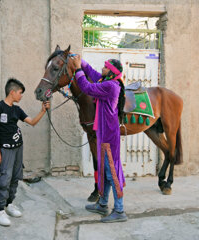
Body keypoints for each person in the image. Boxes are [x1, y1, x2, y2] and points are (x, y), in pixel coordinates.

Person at [72, 55, 128, 223]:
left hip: (109, 135)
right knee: (104, 170)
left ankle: (119, 210)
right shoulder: (107, 80)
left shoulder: (111, 86)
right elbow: (93, 73)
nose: (102, 69)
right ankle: (103, 204)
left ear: (111, 72)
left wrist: (77, 69)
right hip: (103, 133)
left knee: (111, 172)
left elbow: (87, 88)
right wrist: (81, 61)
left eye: (105, 67)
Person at [0, 78, 50, 226]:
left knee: (15, 177)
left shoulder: (17, 110)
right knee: (4, 178)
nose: (21, 96)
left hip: (18, 148)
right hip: (5, 149)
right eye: (20, 93)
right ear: (12, 92)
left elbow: (32, 122)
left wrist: (42, 111)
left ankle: (9, 204)